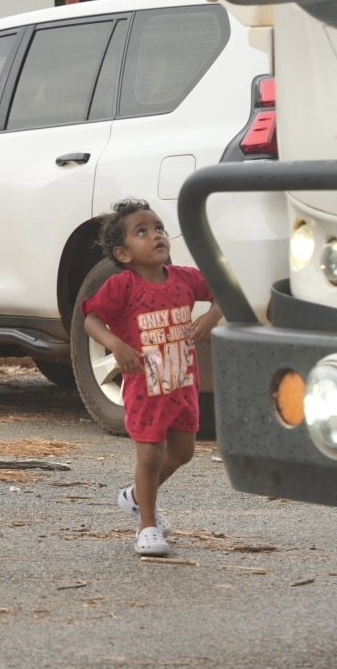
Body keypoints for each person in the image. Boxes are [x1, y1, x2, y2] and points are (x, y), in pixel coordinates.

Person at [81, 199, 223, 557]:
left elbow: (224, 292)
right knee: (150, 456)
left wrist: (211, 317)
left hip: (182, 384)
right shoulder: (122, 287)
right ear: (123, 253)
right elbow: (91, 320)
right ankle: (147, 526)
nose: (155, 235)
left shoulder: (185, 279)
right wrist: (115, 344)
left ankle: (134, 496)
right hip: (145, 388)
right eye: (141, 232)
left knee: (184, 453)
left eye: (158, 228)